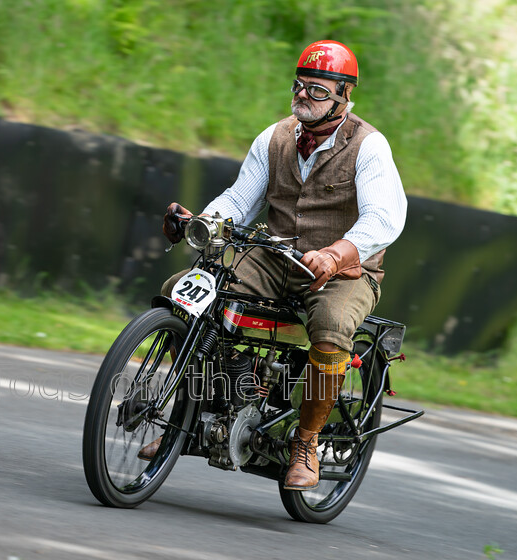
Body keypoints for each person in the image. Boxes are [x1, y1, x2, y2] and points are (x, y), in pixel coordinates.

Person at [146, 39, 406, 490]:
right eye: (300, 85)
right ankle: (203, 402)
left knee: (329, 327)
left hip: (344, 272)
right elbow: (239, 200)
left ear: (344, 97)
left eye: (319, 90)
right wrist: (203, 223)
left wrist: (336, 253)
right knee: (182, 293)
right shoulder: (275, 137)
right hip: (275, 257)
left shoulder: (370, 146)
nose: (304, 95)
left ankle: (305, 442)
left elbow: (385, 218)